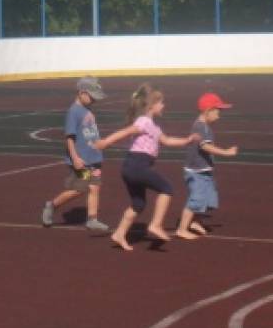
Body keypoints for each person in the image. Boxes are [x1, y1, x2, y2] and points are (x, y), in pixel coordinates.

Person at [93, 84, 200, 251]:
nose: (163, 105)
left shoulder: (155, 128)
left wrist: (187, 140)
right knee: (167, 189)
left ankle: (119, 233)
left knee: (138, 204)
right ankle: (156, 225)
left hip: (130, 168)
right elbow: (128, 131)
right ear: (152, 105)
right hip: (137, 165)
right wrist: (106, 142)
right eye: (161, 102)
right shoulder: (144, 121)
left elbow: (168, 140)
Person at [40, 76, 110, 233]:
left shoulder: (87, 110)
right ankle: (52, 205)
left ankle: (92, 219)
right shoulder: (74, 112)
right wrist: (75, 157)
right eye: (92, 97)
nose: (94, 100)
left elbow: (90, 133)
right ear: (81, 93)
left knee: (95, 187)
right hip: (82, 160)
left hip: (94, 158)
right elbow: (70, 138)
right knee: (79, 189)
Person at [174, 92, 239, 240]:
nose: (219, 115)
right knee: (196, 199)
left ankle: (195, 221)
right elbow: (205, 147)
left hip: (204, 170)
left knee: (208, 199)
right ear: (208, 110)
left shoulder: (205, 127)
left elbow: (208, 145)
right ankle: (182, 229)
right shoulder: (200, 127)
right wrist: (226, 152)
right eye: (218, 111)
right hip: (195, 172)